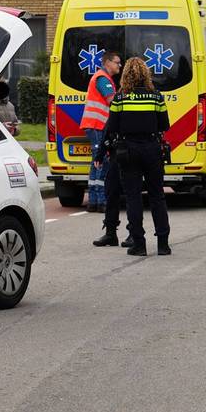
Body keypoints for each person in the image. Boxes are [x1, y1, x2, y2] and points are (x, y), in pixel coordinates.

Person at [95, 57, 171, 257]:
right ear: (146, 74)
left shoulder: (121, 98)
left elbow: (111, 128)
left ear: (126, 75)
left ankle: (139, 244)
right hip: (152, 149)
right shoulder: (156, 97)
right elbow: (165, 124)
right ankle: (163, 244)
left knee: (133, 197)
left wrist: (101, 151)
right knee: (157, 196)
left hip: (128, 151)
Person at [80, 50, 121, 212]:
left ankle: (93, 201)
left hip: (96, 124)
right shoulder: (103, 79)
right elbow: (112, 100)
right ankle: (101, 200)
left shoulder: (103, 78)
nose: (120, 65)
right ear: (108, 62)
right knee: (101, 161)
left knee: (96, 161)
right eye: (117, 62)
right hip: (98, 125)